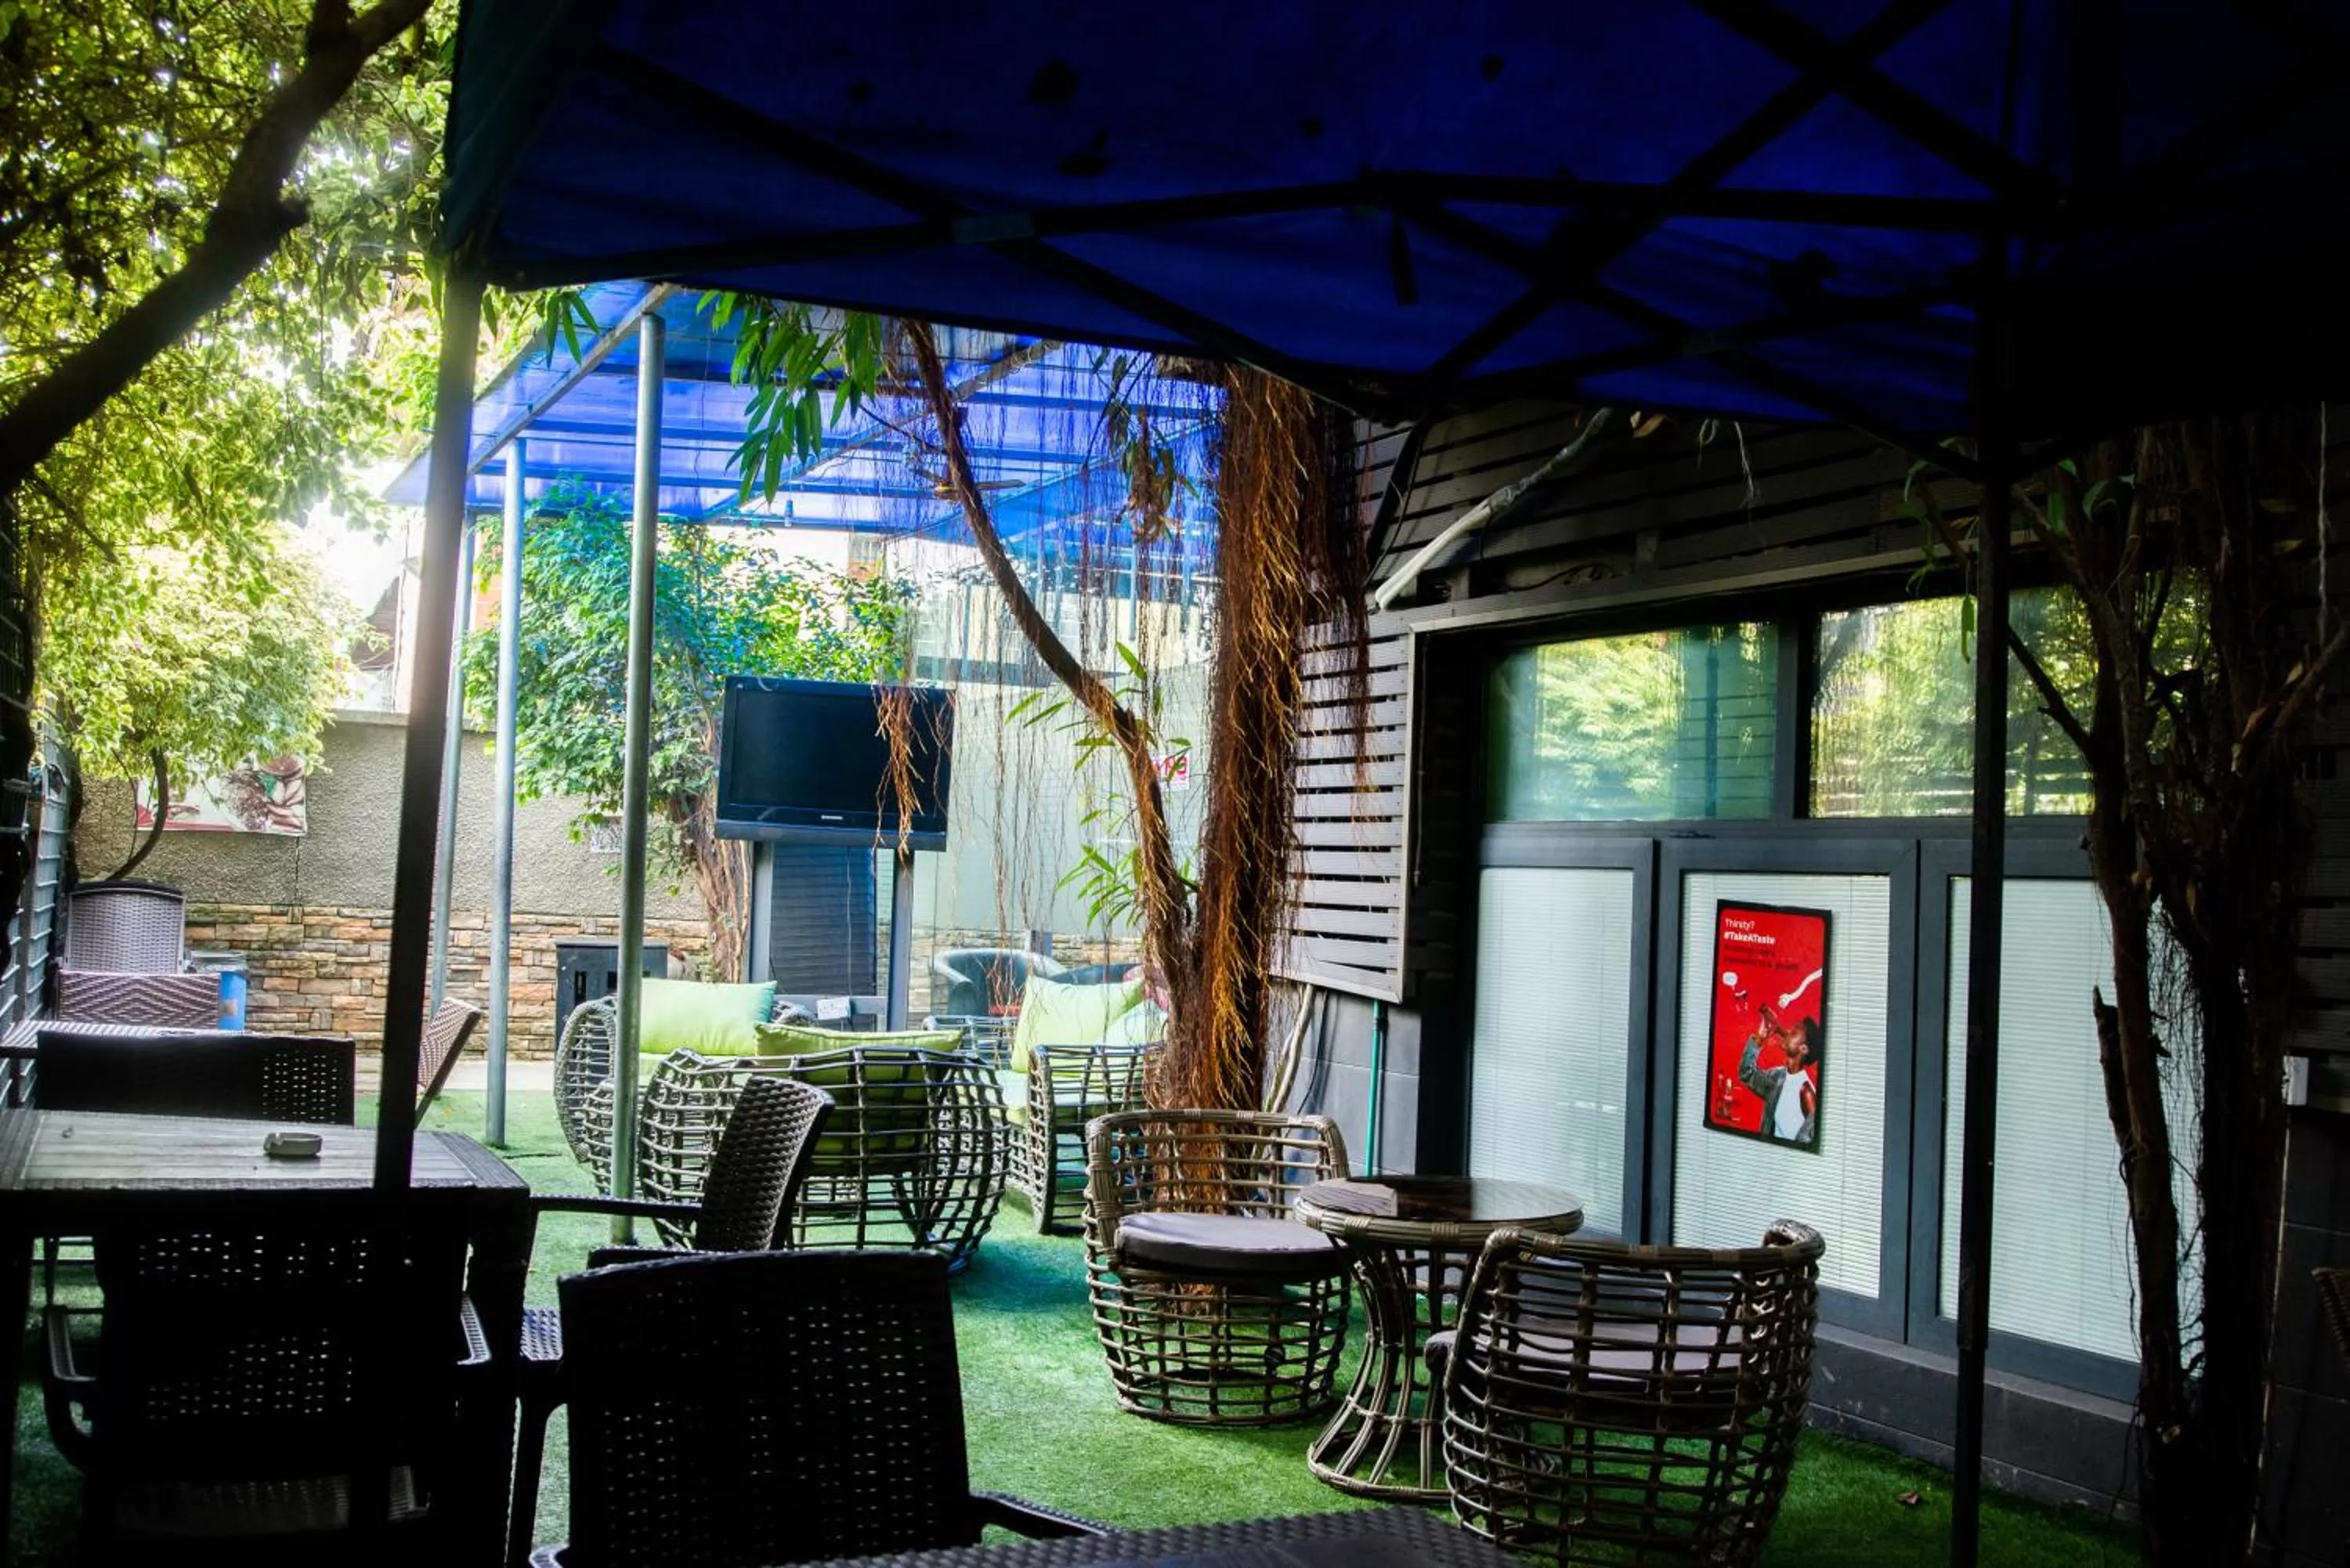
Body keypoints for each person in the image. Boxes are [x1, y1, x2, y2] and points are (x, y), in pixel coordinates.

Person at [1739, 1014, 1820, 1145]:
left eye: (1794, 1032)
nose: (1787, 1032)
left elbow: (1808, 1143)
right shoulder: (1777, 1077)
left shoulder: (1806, 1092)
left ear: (1803, 1049)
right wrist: (1760, 1038)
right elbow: (1746, 1073)